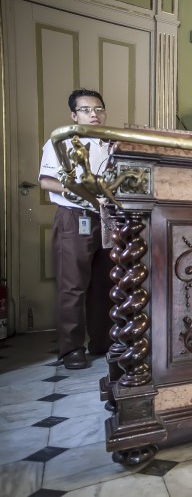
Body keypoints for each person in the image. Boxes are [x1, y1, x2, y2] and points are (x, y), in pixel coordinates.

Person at [38, 88, 114, 369]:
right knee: (73, 285)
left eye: (98, 109)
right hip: (75, 217)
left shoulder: (109, 144)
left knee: (104, 282)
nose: (93, 114)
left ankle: (102, 342)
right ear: (74, 115)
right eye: (86, 110)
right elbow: (47, 181)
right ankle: (71, 349)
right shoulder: (61, 142)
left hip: (106, 218)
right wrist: (83, 194)